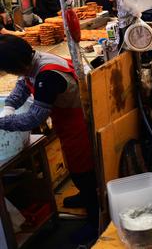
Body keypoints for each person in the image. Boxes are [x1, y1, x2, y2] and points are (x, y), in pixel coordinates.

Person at [0, 35, 98, 243]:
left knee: (83, 171)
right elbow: (23, 85)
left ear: (19, 64)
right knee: (75, 168)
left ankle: (95, 220)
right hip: (65, 122)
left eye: (9, 69)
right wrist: (8, 106)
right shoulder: (32, 62)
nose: (10, 73)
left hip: (78, 124)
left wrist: (3, 122)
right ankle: (86, 195)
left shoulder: (48, 75)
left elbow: (34, 117)